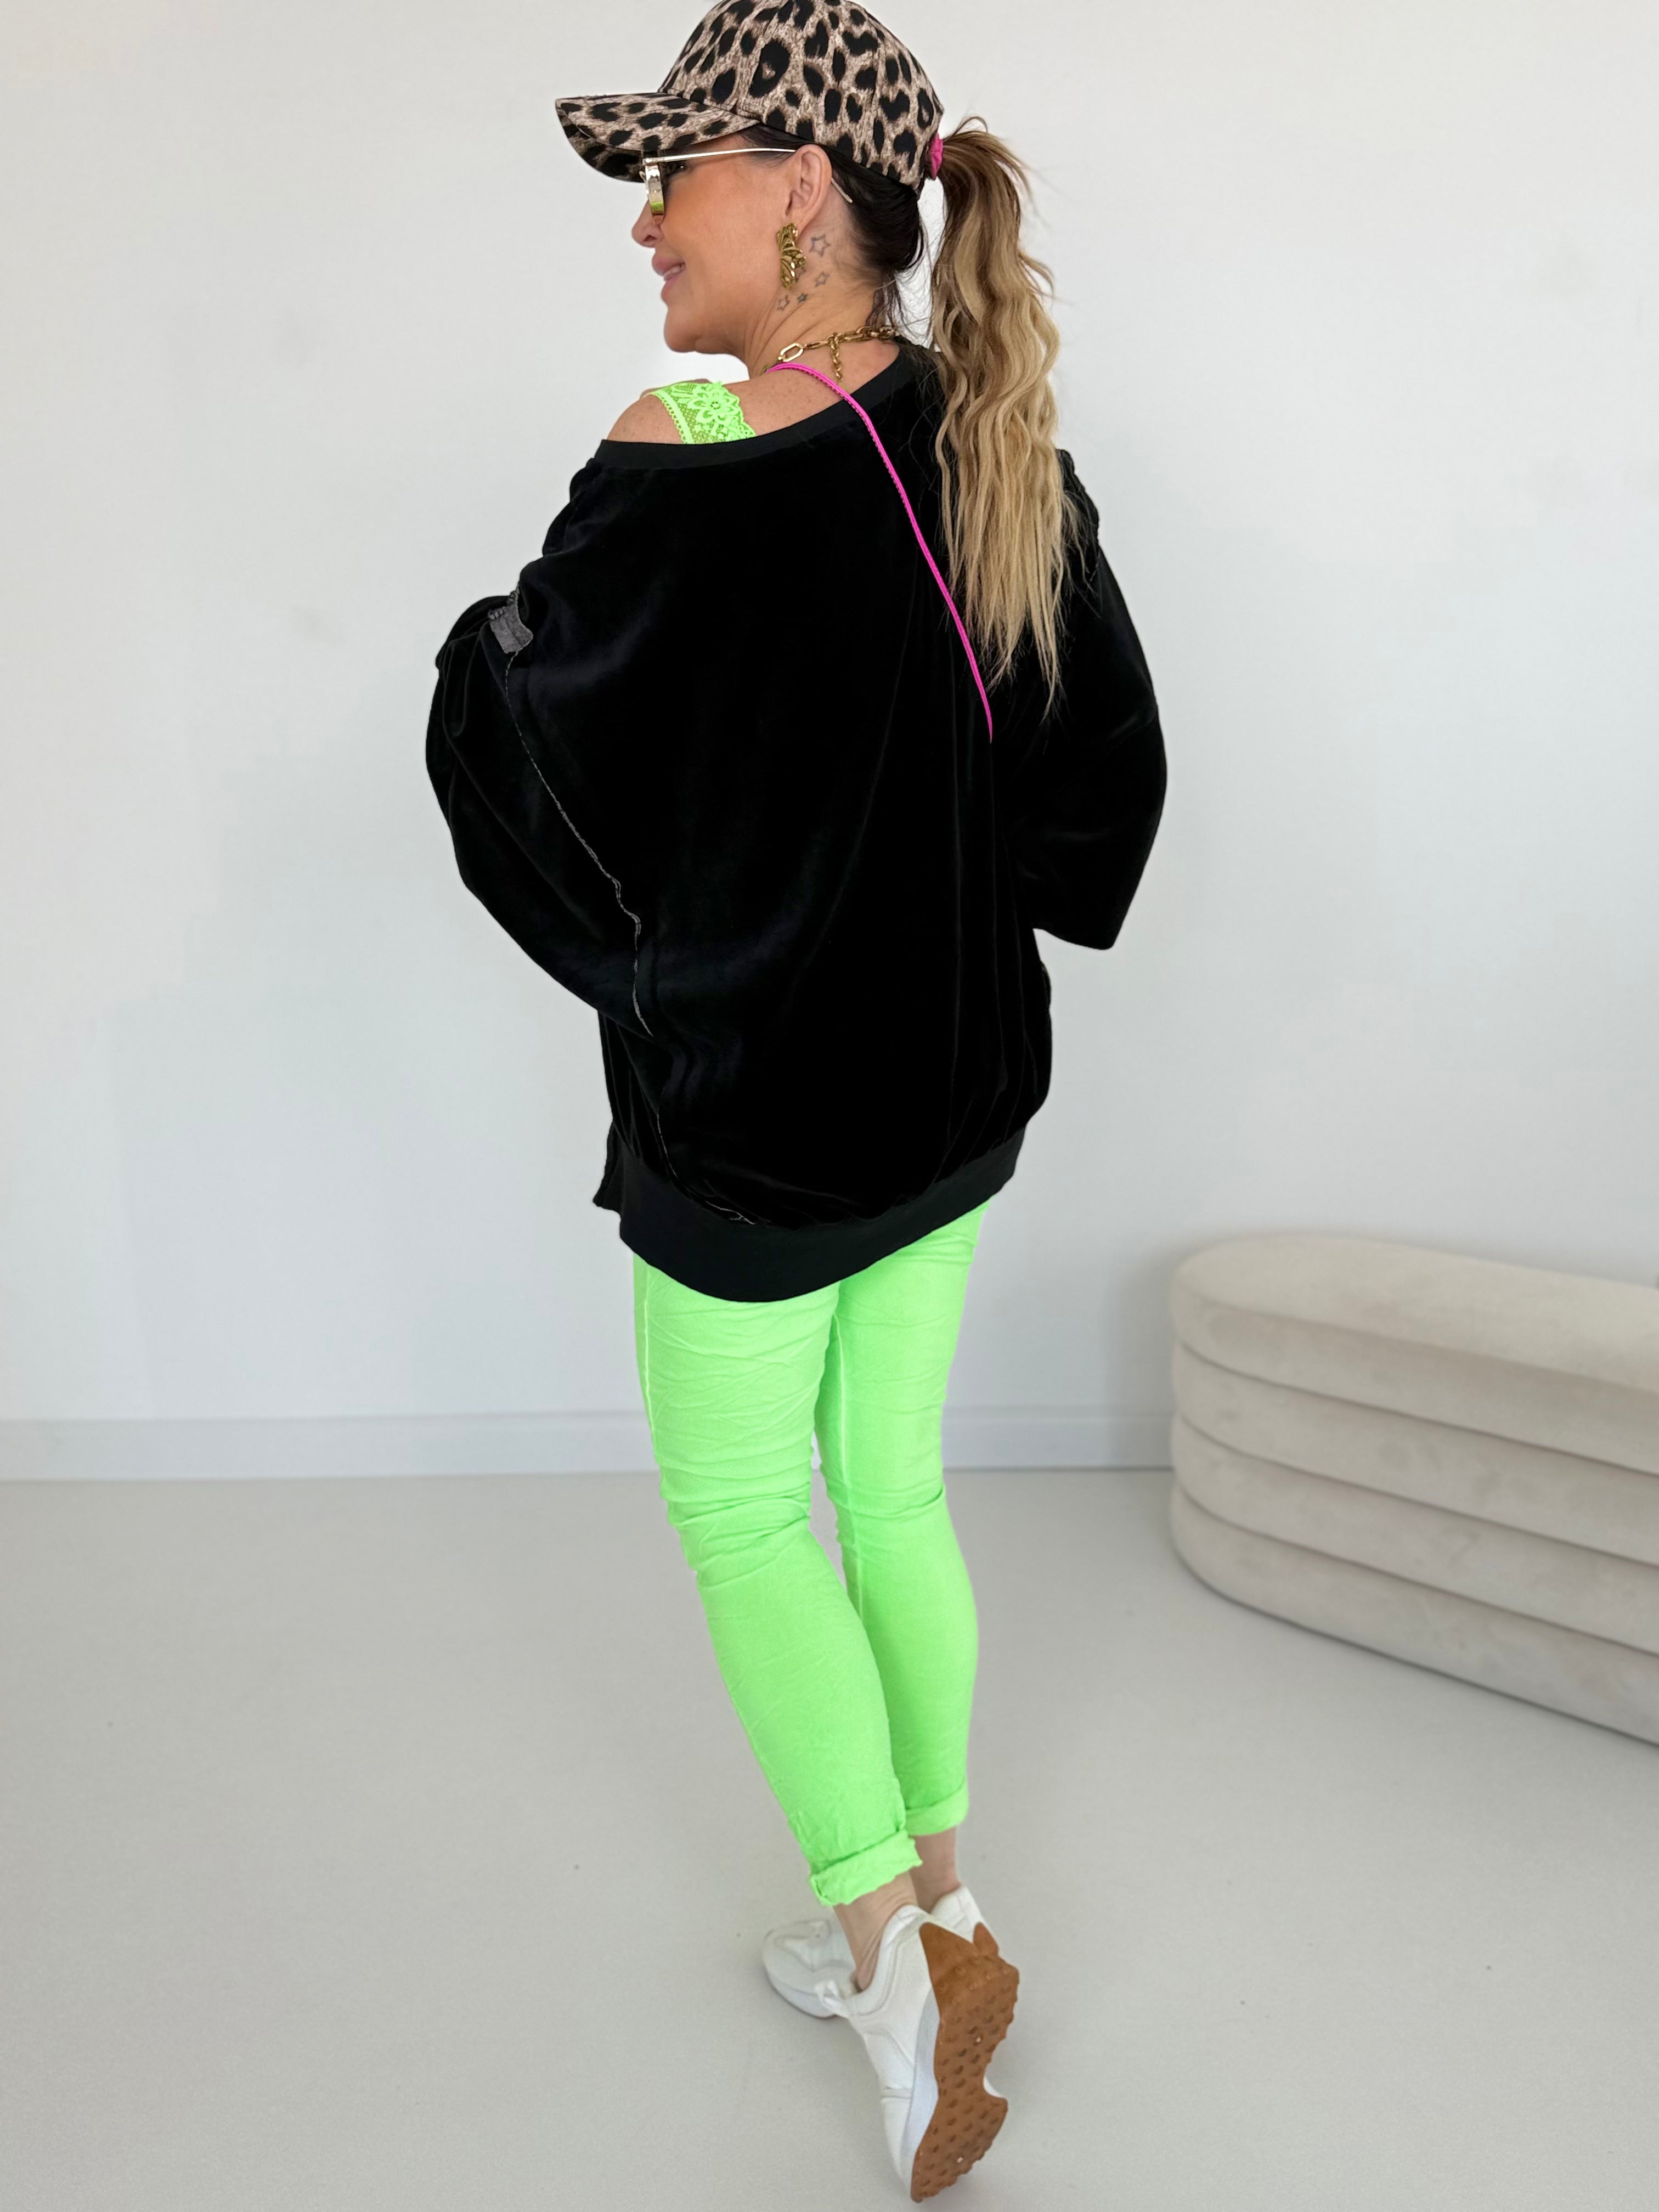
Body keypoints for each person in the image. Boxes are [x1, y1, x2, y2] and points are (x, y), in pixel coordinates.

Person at [425, 3, 1167, 2195]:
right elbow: (1100, 779)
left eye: (679, 174)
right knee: (894, 1487)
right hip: (954, 1099)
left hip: (754, 1134)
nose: (648, 222)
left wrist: (645, 943)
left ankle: (886, 1972)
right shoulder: (984, 427)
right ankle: (951, 1905)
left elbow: (519, 750)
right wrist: (959, 911)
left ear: (800, 192)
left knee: (753, 1518)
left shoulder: (680, 447)